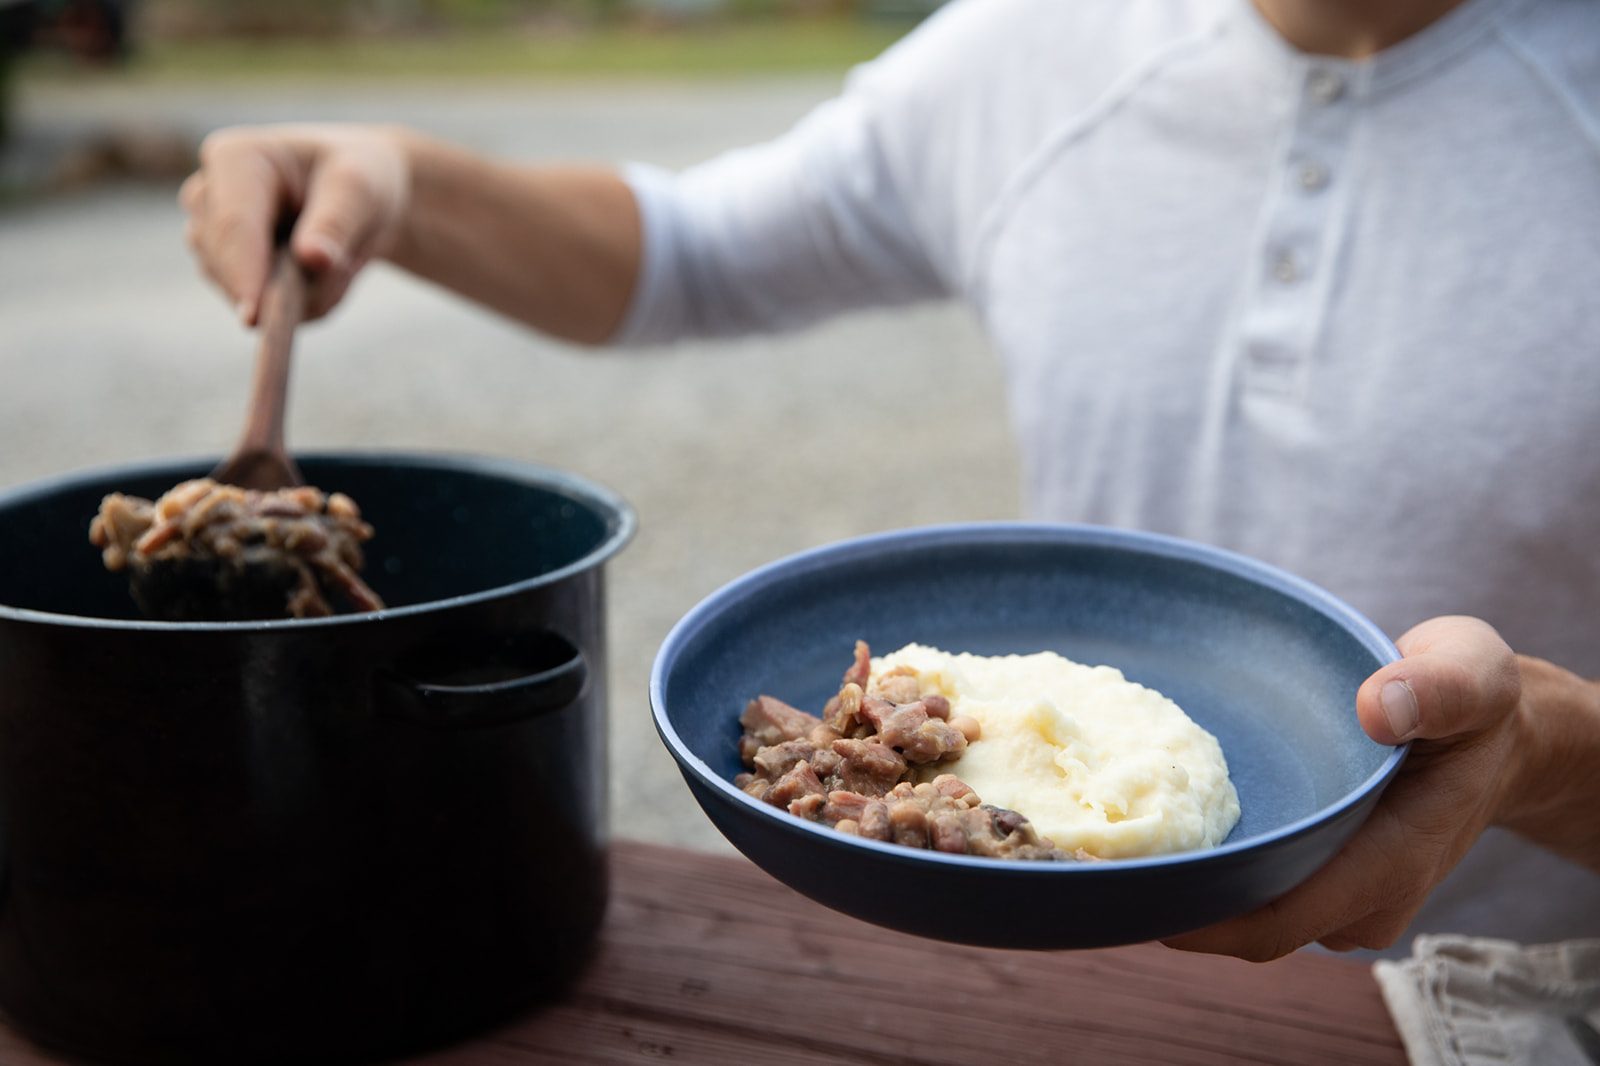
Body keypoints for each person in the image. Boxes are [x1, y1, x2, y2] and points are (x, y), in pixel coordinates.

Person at [178, 0, 1600, 962]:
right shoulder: (1036, 49)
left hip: (1491, 1008)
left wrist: (1540, 745)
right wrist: (395, 179)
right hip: (1045, 976)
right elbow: (691, 249)